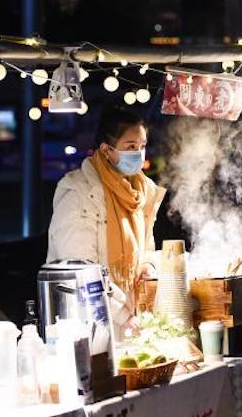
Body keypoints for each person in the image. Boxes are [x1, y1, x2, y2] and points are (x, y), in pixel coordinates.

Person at [48, 105, 166, 330]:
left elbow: (146, 247)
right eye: (130, 146)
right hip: (87, 322)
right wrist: (123, 315)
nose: (139, 154)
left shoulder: (141, 192)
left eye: (142, 146)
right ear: (106, 150)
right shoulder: (78, 191)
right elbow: (80, 269)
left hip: (131, 318)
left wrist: (148, 266)